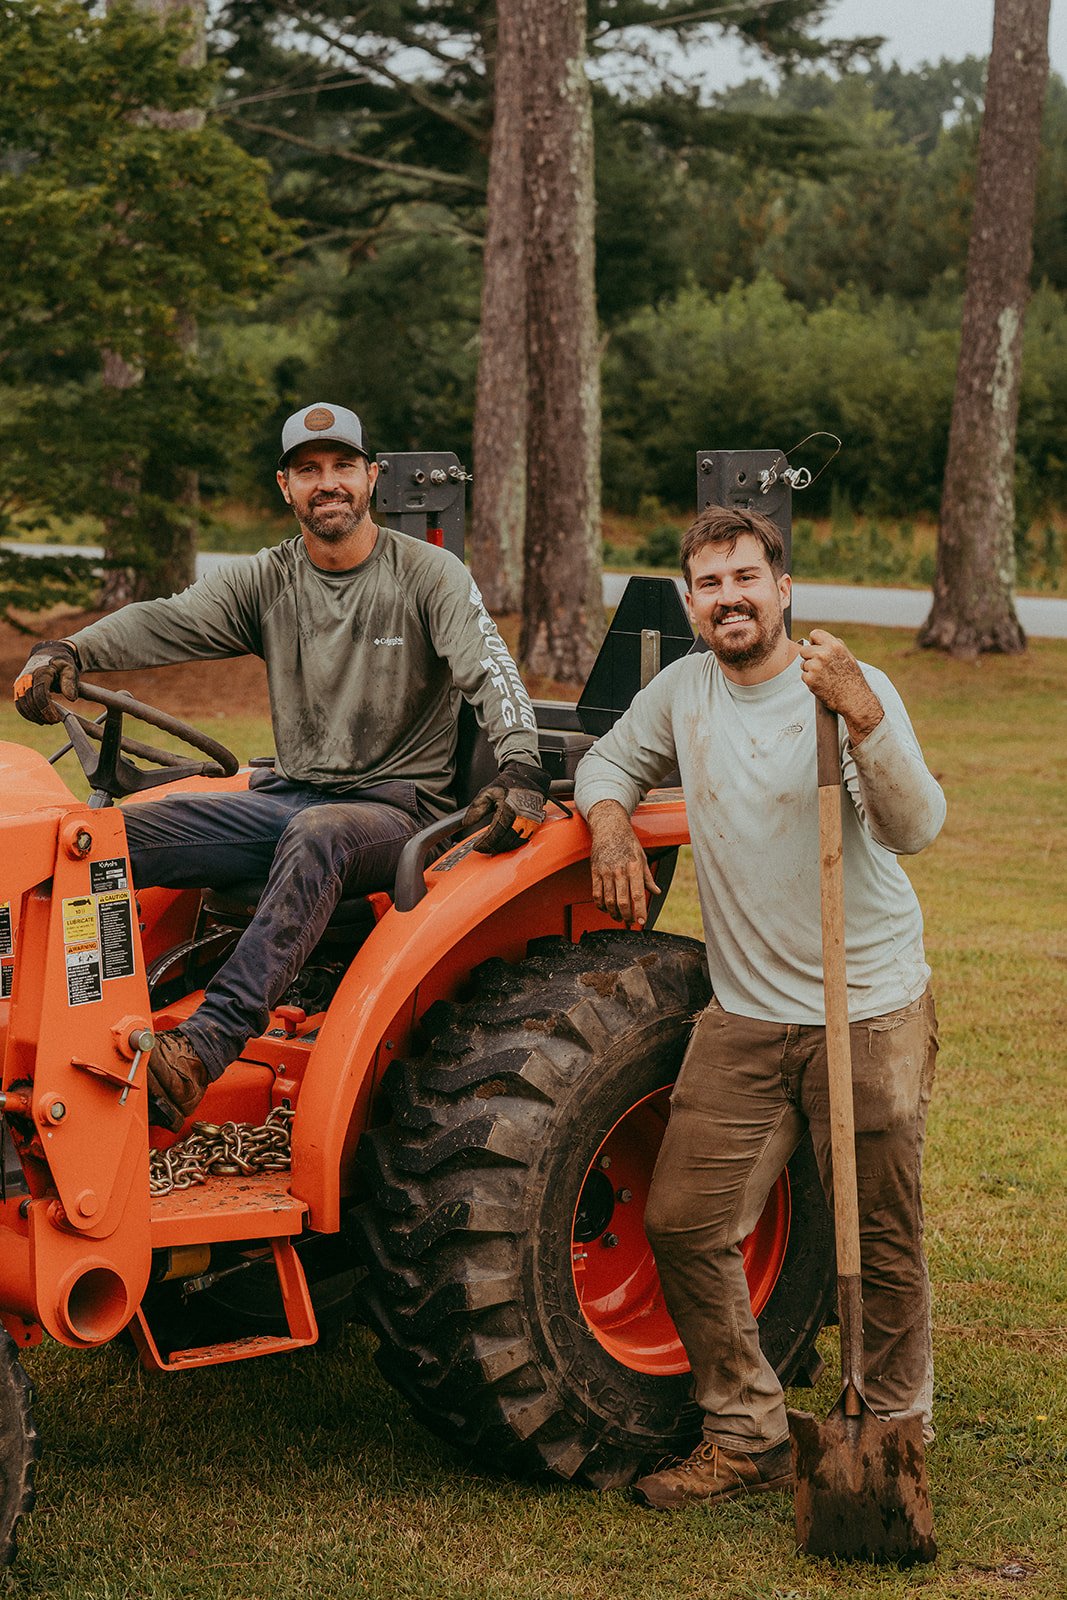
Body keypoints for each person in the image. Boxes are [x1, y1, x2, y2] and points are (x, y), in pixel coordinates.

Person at [14, 402, 548, 1130]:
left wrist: (520, 766)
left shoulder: (428, 575)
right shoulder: (268, 579)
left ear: (370, 477)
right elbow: (164, 618)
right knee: (95, 840)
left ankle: (201, 1049)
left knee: (320, 834)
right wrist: (70, 650)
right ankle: (44, 1027)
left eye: (340, 467)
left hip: (394, 811)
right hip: (288, 795)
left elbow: (491, 672)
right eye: (307, 471)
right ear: (285, 486)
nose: (326, 483)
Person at [573, 504, 945, 1511]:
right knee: (685, 1218)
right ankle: (747, 1431)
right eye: (708, 583)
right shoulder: (684, 690)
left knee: (881, 1237)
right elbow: (605, 761)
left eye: (746, 577)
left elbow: (916, 826)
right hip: (745, 1014)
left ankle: (893, 1436)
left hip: (861, 1007)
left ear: (781, 587)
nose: (728, 597)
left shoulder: (839, 689)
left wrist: (862, 717)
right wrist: (610, 828)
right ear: (689, 602)